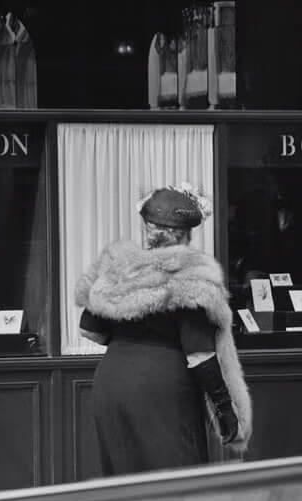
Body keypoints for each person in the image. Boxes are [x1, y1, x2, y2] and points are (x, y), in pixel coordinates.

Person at [75, 185, 252, 476]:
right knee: (174, 482)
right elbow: (200, 354)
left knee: (125, 480)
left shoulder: (120, 267)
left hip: (111, 383)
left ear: (147, 229)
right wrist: (225, 409)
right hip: (161, 389)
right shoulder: (189, 275)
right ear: (184, 235)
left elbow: (90, 330)